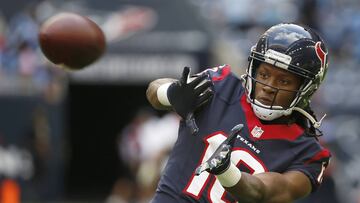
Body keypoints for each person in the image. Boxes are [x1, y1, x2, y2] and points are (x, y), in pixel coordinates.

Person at [146, 23, 331, 203]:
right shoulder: (222, 86)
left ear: (306, 88)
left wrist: (227, 171)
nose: (269, 87)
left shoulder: (308, 153)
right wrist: (170, 94)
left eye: (283, 81)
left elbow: (264, 193)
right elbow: (154, 90)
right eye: (264, 75)